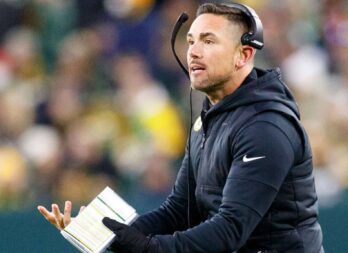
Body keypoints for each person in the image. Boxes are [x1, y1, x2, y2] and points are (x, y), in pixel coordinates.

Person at [37, 2, 324, 252]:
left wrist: (148, 248)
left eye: (209, 41)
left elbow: (231, 229)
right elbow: (178, 211)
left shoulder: (265, 127)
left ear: (244, 55)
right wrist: (105, 232)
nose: (193, 52)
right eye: (190, 41)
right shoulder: (209, 119)